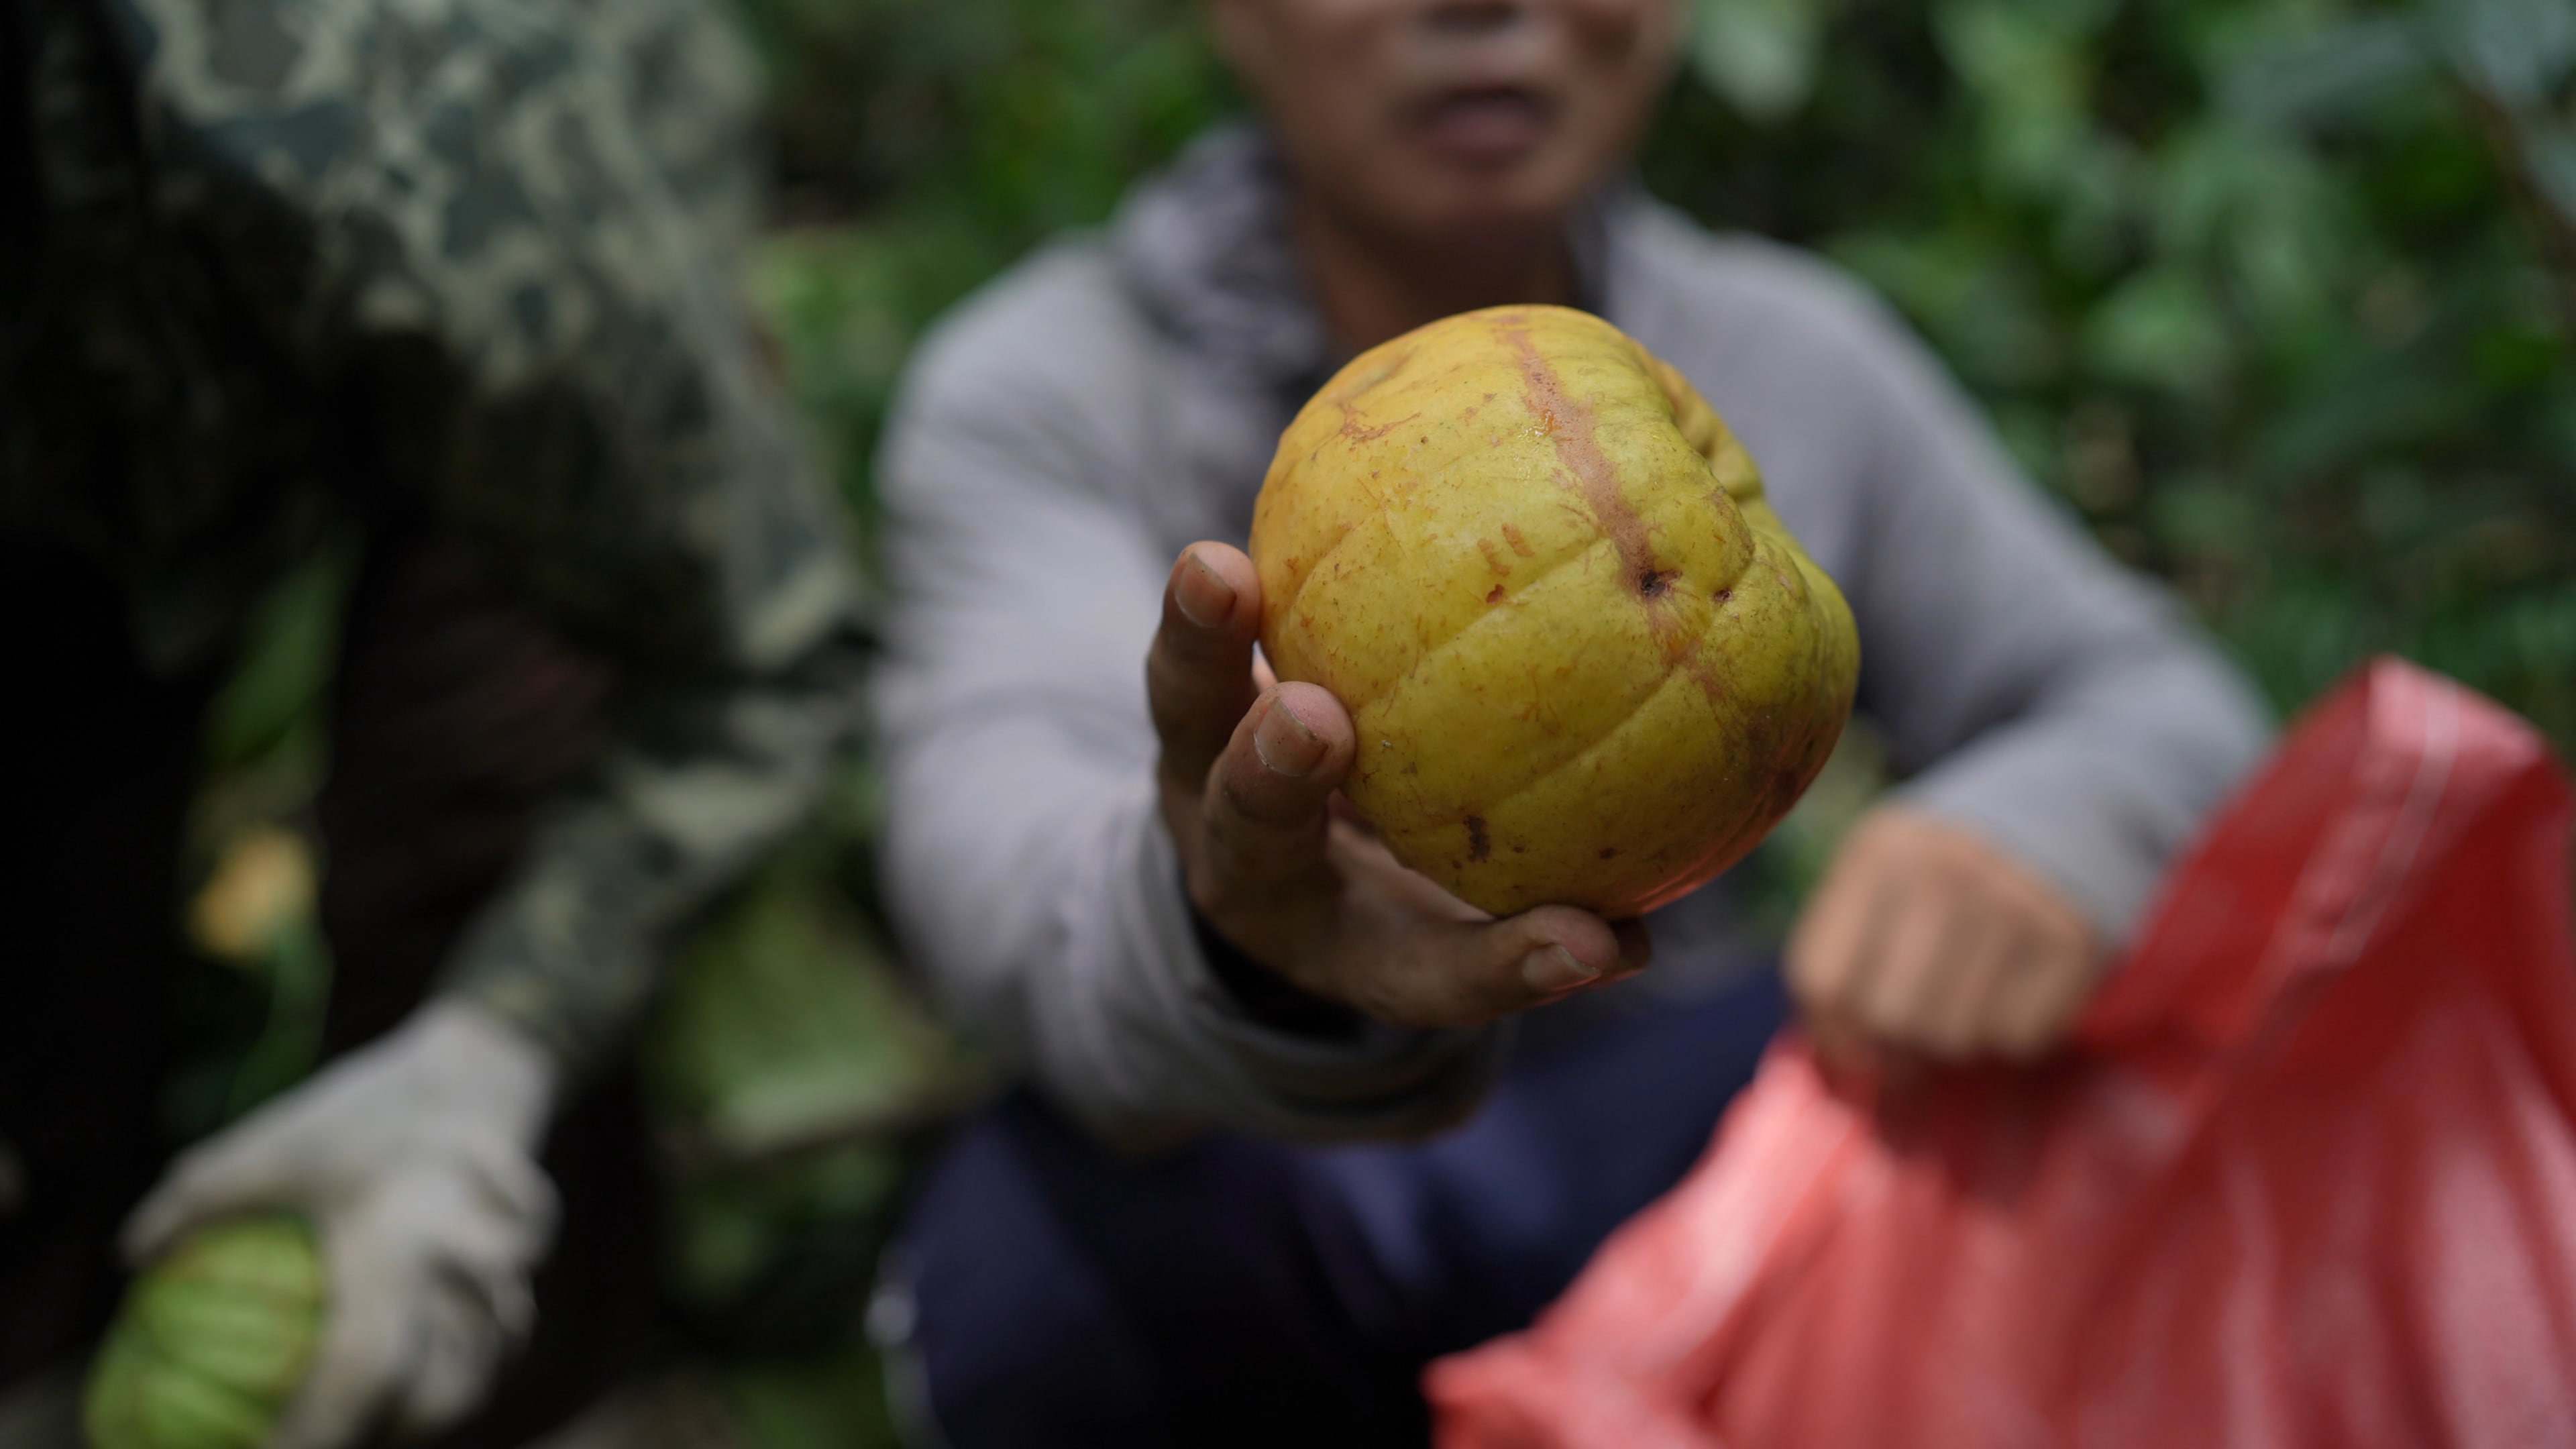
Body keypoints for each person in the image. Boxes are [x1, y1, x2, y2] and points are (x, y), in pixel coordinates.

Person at [867, 0, 2269, 1441]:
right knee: (1031, 1266)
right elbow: (995, 863)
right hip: (1254, 1186)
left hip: (1673, 1142)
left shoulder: (1796, 357)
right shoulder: (1049, 389)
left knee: (2063, 1066)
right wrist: (1238, 933)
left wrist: (2030, 836)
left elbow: (2157, 700)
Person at [0, 0, 867, 1444]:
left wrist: (489, 1053)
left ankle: (505, 1385)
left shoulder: (380, 128)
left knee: (476, 791)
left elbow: (758, 656)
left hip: (508, 230)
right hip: (108, 379)